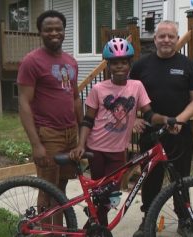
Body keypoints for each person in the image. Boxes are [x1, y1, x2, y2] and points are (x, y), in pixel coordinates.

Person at [69, 38, 169, 227]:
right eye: (115, 63)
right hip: (96, 148)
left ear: (130, 64)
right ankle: (101, 229)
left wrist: (165, 119)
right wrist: (81, 144)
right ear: (108, 66)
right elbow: (88, 120)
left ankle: (94, 221)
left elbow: (149, 114)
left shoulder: (136, 86)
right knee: (100, 194)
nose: (119, 66)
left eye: (123, 62)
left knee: (112, 195)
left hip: (117, 150)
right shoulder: (98, 89)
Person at [129, 20, 193, 237]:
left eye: (171, 36)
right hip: (150, 134)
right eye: (162, 36)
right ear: (155, 39)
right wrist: (133, 118)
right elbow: (128, 96)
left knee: (181, 179)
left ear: (177, 38)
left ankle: (184, 220)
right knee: (150, 179)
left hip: (179, 133)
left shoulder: (188, 65)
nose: (166, 40)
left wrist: (179, 120)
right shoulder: (140, 66)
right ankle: (148, 219)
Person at [17, 10, 82, 225]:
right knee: (47, 188)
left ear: (64, 31)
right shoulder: (31, 61)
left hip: (70, 133)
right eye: (49, 29)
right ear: (40, 32)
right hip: (48, 134)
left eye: (58, 29)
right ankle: (47, 230)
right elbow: (24, 103)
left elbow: (74, 98)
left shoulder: (71, 62)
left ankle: (59, 228)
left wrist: (82, 131)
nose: (54, 33)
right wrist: (36, 144)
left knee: (61, 187)